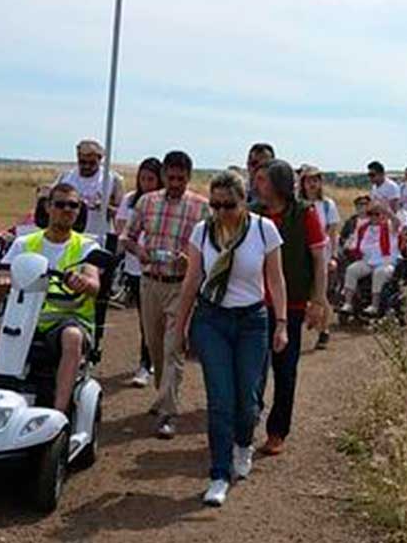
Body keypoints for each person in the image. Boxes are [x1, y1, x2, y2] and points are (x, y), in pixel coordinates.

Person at [173, 171, 288, 507]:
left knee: (247, 400)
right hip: (212, 321)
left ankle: (243, 443)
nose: (222, 212)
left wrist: (281, 323)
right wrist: (179, 328)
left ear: (244, 200)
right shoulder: (203, 232)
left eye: (229, 205)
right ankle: (219, 474)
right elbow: (192, 281)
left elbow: (276, 281)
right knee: (220, 400)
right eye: (216, 205)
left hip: (253, 321)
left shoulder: (263, 230)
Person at [0, 183, 101, 413]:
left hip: (68, 319)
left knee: (72, 337)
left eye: (73, 205)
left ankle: (58, 413)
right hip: (24, 316)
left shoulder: (87, 246)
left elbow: (94, 284)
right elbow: (3, 273)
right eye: (60, 204)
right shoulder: (25, 243)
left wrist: (84, 283)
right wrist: (1, 282)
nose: (67, 210)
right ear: (48, 208)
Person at [121, 151, 210, 439]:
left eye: (180, 179)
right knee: (155, 344)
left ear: (189, 177)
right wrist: (139, 250)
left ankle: (168, 412)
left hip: (181, 286)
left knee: (174, 346)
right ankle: (164, 393)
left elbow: (214, 247)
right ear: (163, 176)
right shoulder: (147, 202)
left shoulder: (201, 208)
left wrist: (193, 260)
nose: (175, 183)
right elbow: (126, 237)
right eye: (170, 178)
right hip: (150, 283)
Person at [251, 159, 329, 456]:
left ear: (278, 183)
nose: (256, 184)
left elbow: (320, 262)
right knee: (252, 368)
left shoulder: (304, 215)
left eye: (262, 179)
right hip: (255, 303)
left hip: (293, 304)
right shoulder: (253, 214)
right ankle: (248, 420)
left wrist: (318, 301)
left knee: (284, 371)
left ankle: (277, 430)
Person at [116, 157, 164, 388]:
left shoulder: (164, 202)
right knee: (145, 320)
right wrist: (135, 248)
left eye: (151, 179)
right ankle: (145, 363)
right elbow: (121, 229)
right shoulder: (129, 200)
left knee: (160, 321)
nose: (146, 183)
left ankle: (158, 358)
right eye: (143, 178)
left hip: (162, 268)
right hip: (136, 268)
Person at [298, 165, 339, 350]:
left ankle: (324, 330)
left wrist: (333, 256)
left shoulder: (327, 205)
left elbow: (332, 232)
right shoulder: (298, 204)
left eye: (315, 180)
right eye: (308, 180)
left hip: (322, 254)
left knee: (319, 294)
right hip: (301, 254)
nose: (312, 184)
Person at [339, 201, 402, 316]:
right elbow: (355, 243)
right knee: (351, 270)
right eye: (371, 214)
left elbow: (397, 223)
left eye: (377, 214)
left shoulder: (388, 227)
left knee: (379, 273)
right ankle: (348, 303)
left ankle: (374, 305)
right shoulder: (364, 228)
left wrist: (387, 211)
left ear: (382, 215)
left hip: (385, 262)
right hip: (367, 261)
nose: (374, 217)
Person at [55, 139, 124, 238]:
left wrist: (106, 208)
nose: (87, 166)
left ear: (100, 160)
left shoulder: (112, 180)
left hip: (97, 238)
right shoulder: (66, 177)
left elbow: (121, 215)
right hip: (67, 236)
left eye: (92, 163)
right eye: (82, 162)